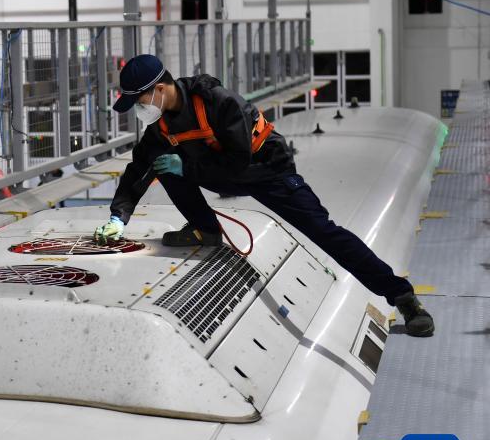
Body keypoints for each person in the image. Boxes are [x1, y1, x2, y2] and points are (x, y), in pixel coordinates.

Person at [93, 54, 434, 337]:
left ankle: (403, 297)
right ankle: (205, 228)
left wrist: (189, 168)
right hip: (218, 171)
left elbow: (237, 162)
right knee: (162, 163)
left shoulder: (217, 101)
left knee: (324, 231)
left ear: (159, 89)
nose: (140, 109)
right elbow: (138, 168)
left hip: (266, 170)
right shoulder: (161, 125)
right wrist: (118, 216)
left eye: (140, 101)